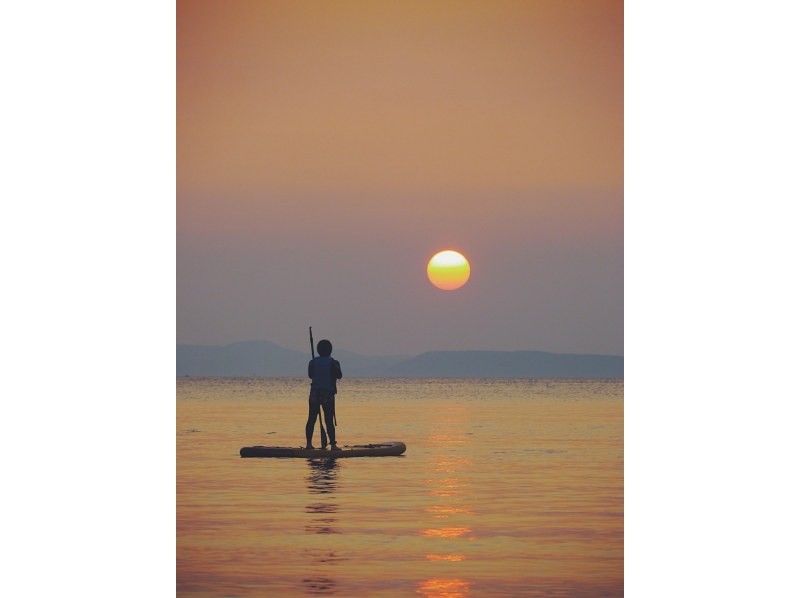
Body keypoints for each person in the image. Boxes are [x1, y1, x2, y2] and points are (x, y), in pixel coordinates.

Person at [306, 339, 342, 450]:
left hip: (315, 393)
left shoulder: (312, 362)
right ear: (330, 350)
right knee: (328, 420)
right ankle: (333, 445)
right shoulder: (333, 363)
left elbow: (310, 375)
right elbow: (339, 375)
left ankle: (309, 444)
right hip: (327, 394)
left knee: (312, 418)